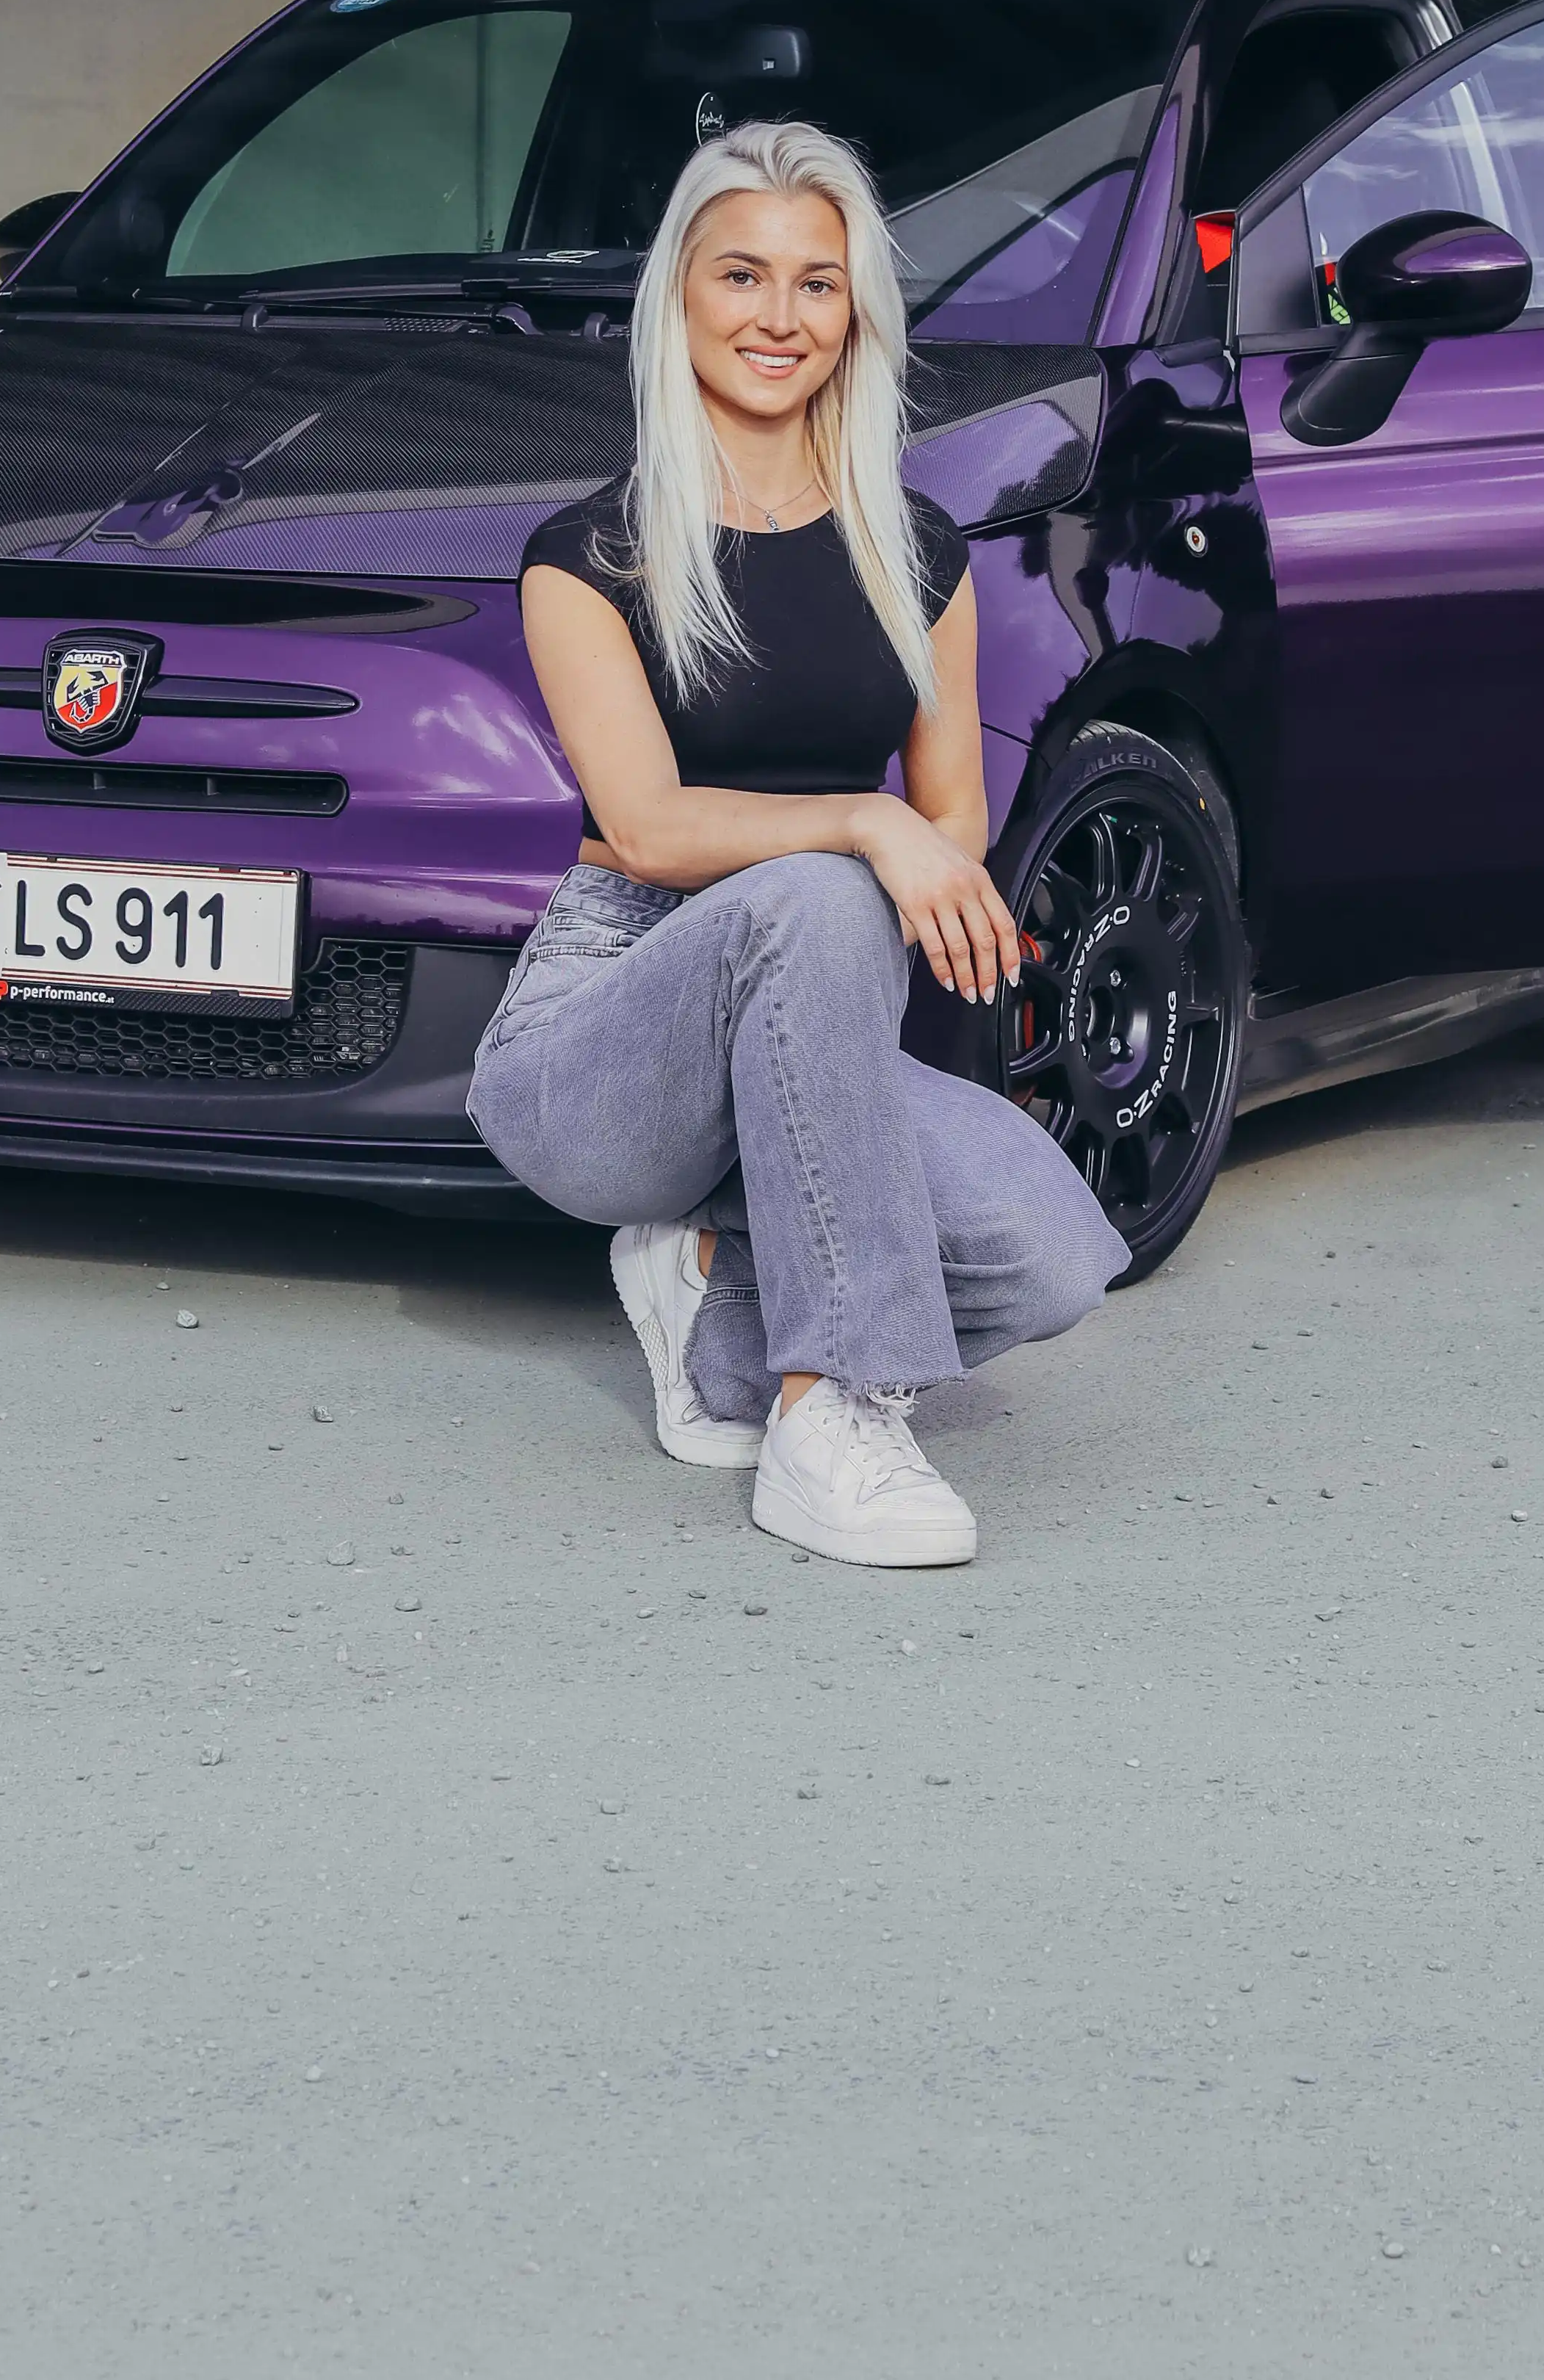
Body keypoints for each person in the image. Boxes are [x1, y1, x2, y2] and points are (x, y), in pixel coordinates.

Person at [467, 117, 1131, 1569]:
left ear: (857, 313)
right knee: (824, 890)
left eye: (817, 284)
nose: (780, 317)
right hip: (600, 1039)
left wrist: (898, 841)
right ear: (681, 299)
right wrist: (863, 824)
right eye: (742, 277)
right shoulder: (590, 558)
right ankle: (831, 1418)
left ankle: (716, 1295)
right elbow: (643, 825)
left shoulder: (920, 551)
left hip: (820, 1009)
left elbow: (953, 810)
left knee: (1058, 1255)